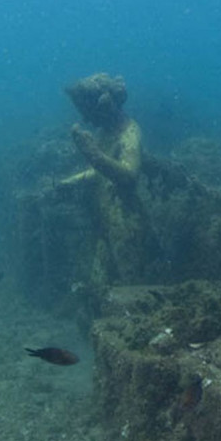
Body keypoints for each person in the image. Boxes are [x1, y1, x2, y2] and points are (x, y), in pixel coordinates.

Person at [60, 72, 154, 287]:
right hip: (105, 219)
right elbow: (99, 171)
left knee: (130, 285)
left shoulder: (129, 133)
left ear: (104, 105)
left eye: (88, 113)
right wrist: (69, 182)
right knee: (100, 286)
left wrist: (94, 155)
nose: (86, 120)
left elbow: (129, 175)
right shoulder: (106, 132)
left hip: (125, 223)